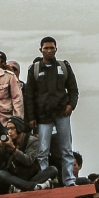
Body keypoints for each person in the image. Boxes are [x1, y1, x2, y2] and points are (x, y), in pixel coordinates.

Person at [24, 37, 79, 186]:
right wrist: (31, 117)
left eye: (51, 48)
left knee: (66, 149)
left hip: (62, 113)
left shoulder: (64, 66)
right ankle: (45, 180)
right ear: (40, 50)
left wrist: (71, 105)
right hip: (43, 117)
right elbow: (29, 96)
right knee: (42, 151)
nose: (49, 51)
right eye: (46, 48)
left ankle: (69, 180)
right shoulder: (34, 69)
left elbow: (73, 89)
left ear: (56, 49)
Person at [0, 116, 57, 192]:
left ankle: (21, 188)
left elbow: (28, 161)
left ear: (19, 128)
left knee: (53, 170)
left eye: (12, 128)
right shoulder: (7, 142)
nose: (9, 132)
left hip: (31, 175)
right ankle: (33, 187)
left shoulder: (32, 141)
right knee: (0, 174)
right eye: (8, 129)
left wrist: (13, 148)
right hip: (15, 177)